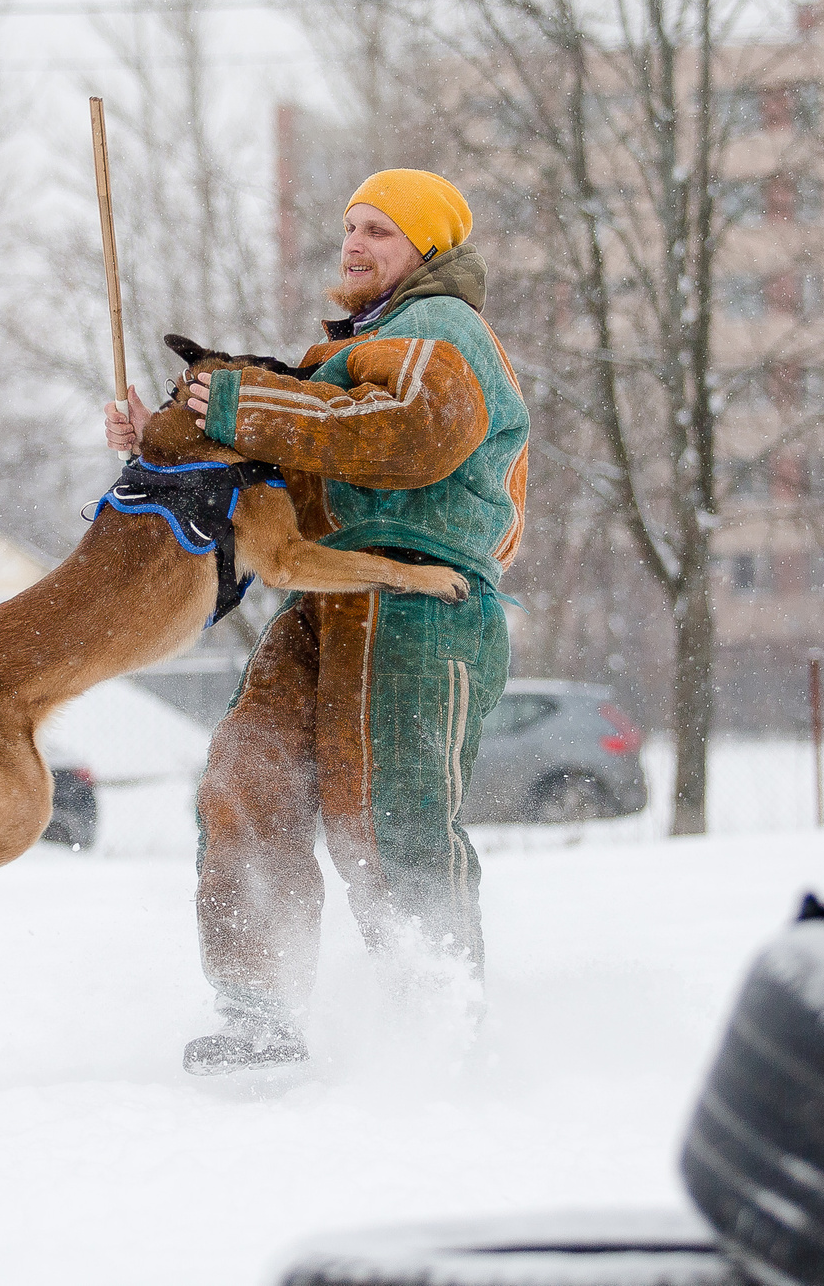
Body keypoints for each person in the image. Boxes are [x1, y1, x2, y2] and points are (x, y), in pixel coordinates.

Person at [104, 169, 530, 1074]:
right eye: (349, 228)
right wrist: (166, 438)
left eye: (378, 229)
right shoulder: (349, 349)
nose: (354, 244)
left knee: (390, 811)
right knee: (246, 775)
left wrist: (229, 398)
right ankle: (258, 1011)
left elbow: (401, 432)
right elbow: (295, 457)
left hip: (417, 600)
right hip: (324, 594)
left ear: (429, 247)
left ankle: (437, 1022)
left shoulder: (442, 333)